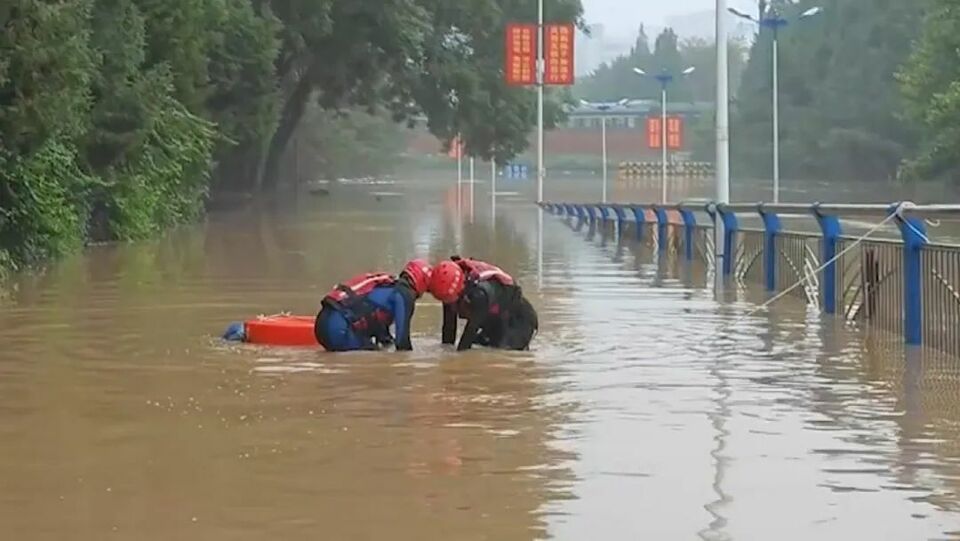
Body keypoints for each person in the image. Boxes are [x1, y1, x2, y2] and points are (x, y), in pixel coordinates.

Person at [314, 259, 432, 352]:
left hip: (321, 323)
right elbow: (402, 344)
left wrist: (387, 342)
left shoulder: (386, 284)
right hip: (339, 329)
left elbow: (379, 329)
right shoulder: (404, 295)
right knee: (375, 358)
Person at [428, 256, 538, 351]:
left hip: (519, 320)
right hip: (495, 321)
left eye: (449, 299)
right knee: (481, 347)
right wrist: (445, 354)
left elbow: (467, 339)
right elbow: (449, 330)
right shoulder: (446, 286)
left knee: (502, 354)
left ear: (460, 290)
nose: (447, 303)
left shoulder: (480, 295)